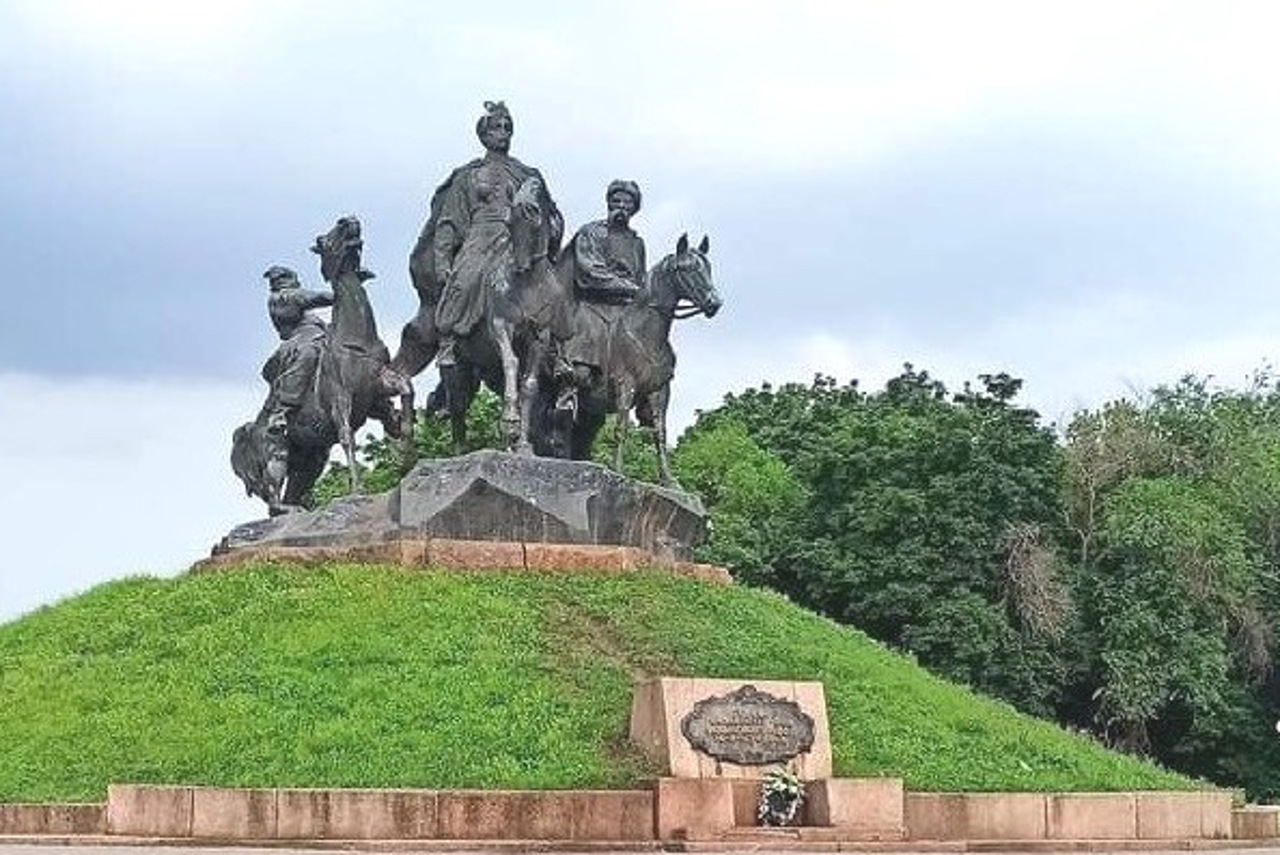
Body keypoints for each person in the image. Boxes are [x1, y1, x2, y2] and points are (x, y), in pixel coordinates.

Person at [411, 101, 564, 382]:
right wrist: (444, 262)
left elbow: (550, 212)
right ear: (483, 134)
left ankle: (560, 353)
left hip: (520, 239)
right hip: (480, 237)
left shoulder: (528, 174)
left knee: (556, 290)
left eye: (508, 127)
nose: (503, 132)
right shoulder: (467, 176)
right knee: (465, 279)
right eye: (496, 127)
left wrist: (546, 240)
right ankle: (448, 339)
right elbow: (450, 222)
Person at [554, 180, 647, 409]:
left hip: (625, 311)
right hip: (593, 306)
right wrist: (628, 287)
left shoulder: (637, 243)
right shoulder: (591, 233)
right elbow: (590, 271)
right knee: (582, 358)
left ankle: (647, 402)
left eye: (627, 203)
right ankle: (568, 390)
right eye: (617, 201)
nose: (622, 206)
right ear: (609, 203)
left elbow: (641, 278)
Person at [258, 265, 333, 436]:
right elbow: (317, 297)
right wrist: (342, 290)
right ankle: (282, 410)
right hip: (300, 339)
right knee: (307, 355)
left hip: (322, 335)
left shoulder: (301, 305)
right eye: (277, 279)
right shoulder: (282, 297)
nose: (279, 281)